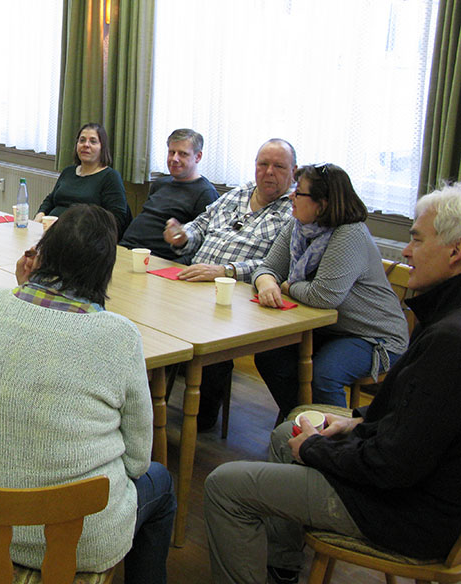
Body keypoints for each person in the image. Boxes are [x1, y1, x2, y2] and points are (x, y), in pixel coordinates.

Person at [203, 184, 461, 584]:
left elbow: (392, 465)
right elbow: (413, 414)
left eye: (415, 238)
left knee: (225, 486)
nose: (406, 253)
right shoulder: (444, 318)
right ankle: (283, 565)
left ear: (455, 252)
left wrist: (318, 449)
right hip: (407, 486)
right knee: (289, 427)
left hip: (405, 513)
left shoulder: (450, 339)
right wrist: (355, 422)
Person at [0, 205, 176, 584]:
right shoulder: (119, 336)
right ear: (105, 269)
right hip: (73, 541)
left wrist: (24, 284)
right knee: (161, 483)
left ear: (41, 254)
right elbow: (138, 462)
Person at [252, 163, 408, 418]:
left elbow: (323, 296)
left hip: (373, 335)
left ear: (322, 203)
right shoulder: (297, 226)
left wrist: (287, 285)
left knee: (325, 373)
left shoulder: (349, 234)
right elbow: (268, 267)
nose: (291, 196)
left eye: (298, 192)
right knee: (270, 356)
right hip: (329, 329)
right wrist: (266, 282)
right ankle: (301, 420)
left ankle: (333, 442)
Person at [161, 139, 297, 431]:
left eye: (278, 166)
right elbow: (201, 223)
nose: (268, 172)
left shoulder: (294, 210)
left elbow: (276, 267)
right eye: (263, 164)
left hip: (237, 296)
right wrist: (183, 235)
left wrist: (225, 271)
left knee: (210, 331)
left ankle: (202, 414)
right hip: (195, 280)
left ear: (294, 171)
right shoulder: (241, 192)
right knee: (152, 315)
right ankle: (146, 402)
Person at [120, 128, 219, 261]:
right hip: (126, 249)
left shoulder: (206, 193)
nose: (174, 159)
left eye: (183, 154)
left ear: (198, 157)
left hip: (158, 260)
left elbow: (201, 247)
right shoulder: (160, 184)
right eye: (171, 152)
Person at [34, 123, 130, 239]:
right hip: (52, 233)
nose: (86, 145)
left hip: (84, 240)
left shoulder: (110, 177)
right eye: (82, 140)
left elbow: (116, 220)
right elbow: (51, 200)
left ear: (102, 147)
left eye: (93, 141)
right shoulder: (68, 172)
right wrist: (41, 214)